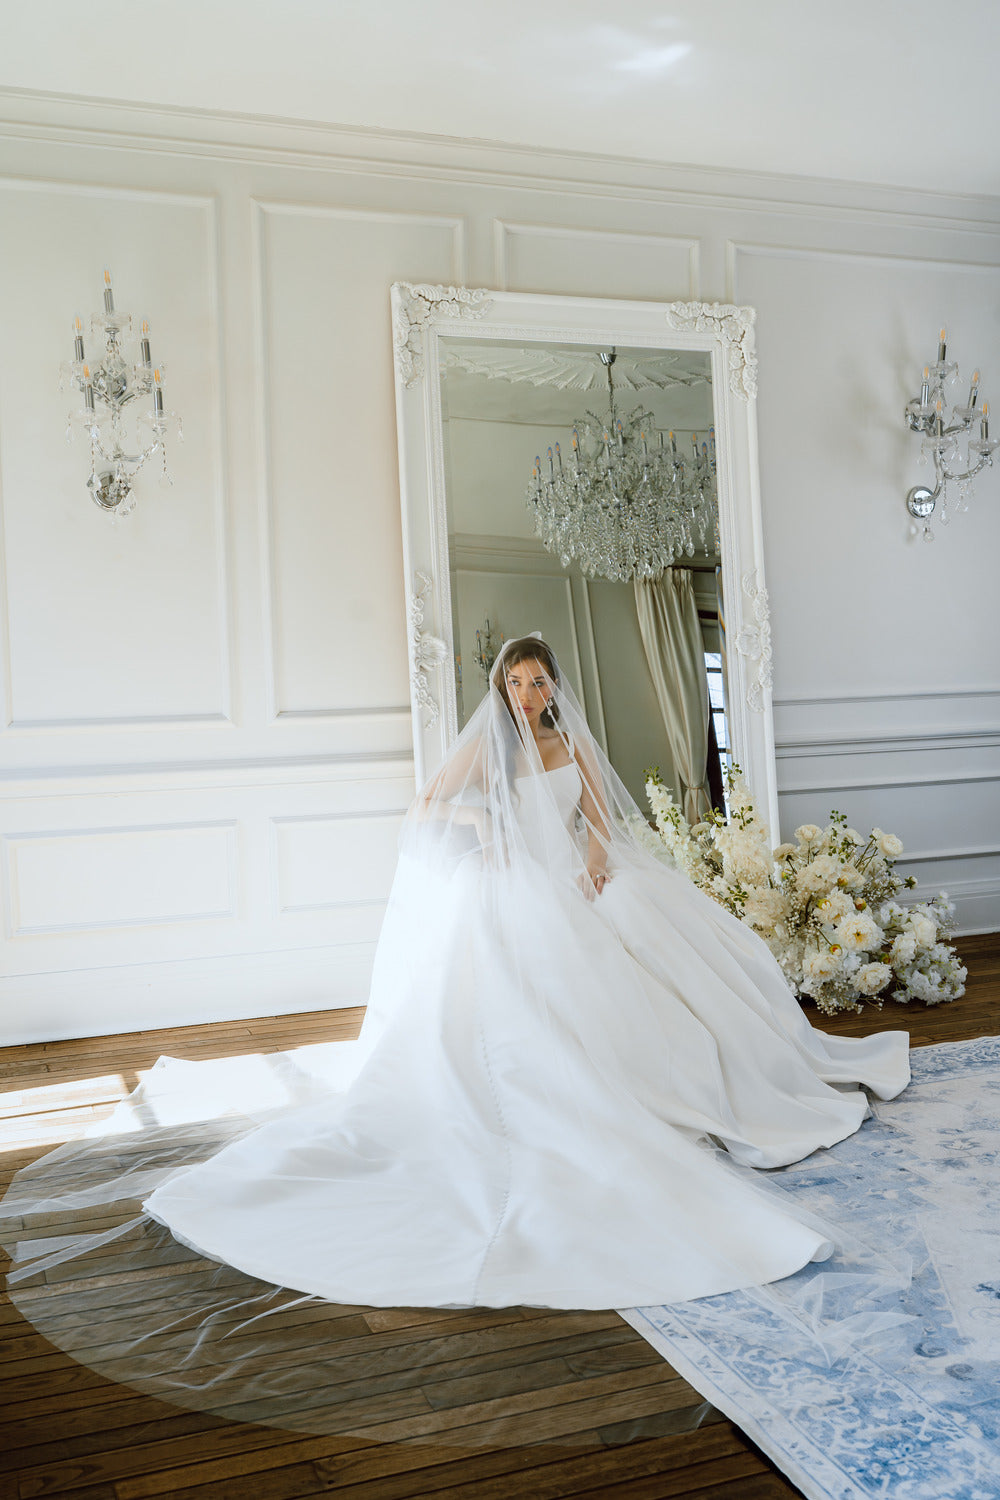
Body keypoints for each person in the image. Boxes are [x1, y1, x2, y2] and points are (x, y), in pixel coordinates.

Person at [2, 635, 909, 1322]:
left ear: (554, 684)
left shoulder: (568, 745)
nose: (526, 693)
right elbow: (432, 803)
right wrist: (483, 831)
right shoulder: (495, 749)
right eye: (515, 682)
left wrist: (595, 861)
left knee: (642, 939)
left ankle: (696, 1075)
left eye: (537, 680)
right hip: (516, 892)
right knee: (516, 1007)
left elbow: (599, 817)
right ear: (501, 689)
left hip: (570, 884)